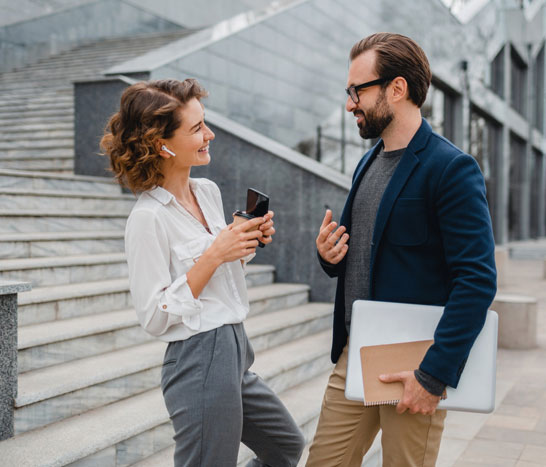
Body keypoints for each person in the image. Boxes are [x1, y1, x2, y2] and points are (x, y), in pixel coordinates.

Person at [306, 33, 497, 466]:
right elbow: (371, 254)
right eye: (348, 92)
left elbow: (477, 280)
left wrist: (434, 375)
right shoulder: (367, 162)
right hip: (354, 353)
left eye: (358, 90)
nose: (350, 103)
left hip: (416, 363)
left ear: (397, 89)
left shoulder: (451, 169)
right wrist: (329, 254)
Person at [101, 78, 304, 467]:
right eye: (196, 128)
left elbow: (218, 275)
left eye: (204, 123)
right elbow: (154, 316)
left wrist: (246, 243)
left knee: (286, 445)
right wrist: (213, 255)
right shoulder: (147, 219)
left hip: (235, 349)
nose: (209, 134)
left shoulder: (207, 191)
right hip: (197, 357)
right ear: (161, 144)